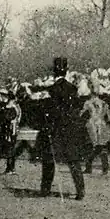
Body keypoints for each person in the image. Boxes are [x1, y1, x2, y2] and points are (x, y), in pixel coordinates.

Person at [36, 57, 86, 200]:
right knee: (73, 160)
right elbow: (77, 107)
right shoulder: (73, 89)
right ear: (66, 71)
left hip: (54, 129)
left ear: (54, 72)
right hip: (69, 128)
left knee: (49, 160)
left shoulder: (51, 89)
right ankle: (80, 191)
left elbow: (47, 111)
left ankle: (45, 190)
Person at [81, 92, 110, 175]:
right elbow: (109, 117)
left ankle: (89, 166)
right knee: (101, 146)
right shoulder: (104, 103)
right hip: (102, 124)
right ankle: (104, 168)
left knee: (95, 146)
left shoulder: (88, 103)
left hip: (92, 124)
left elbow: (82, 113)